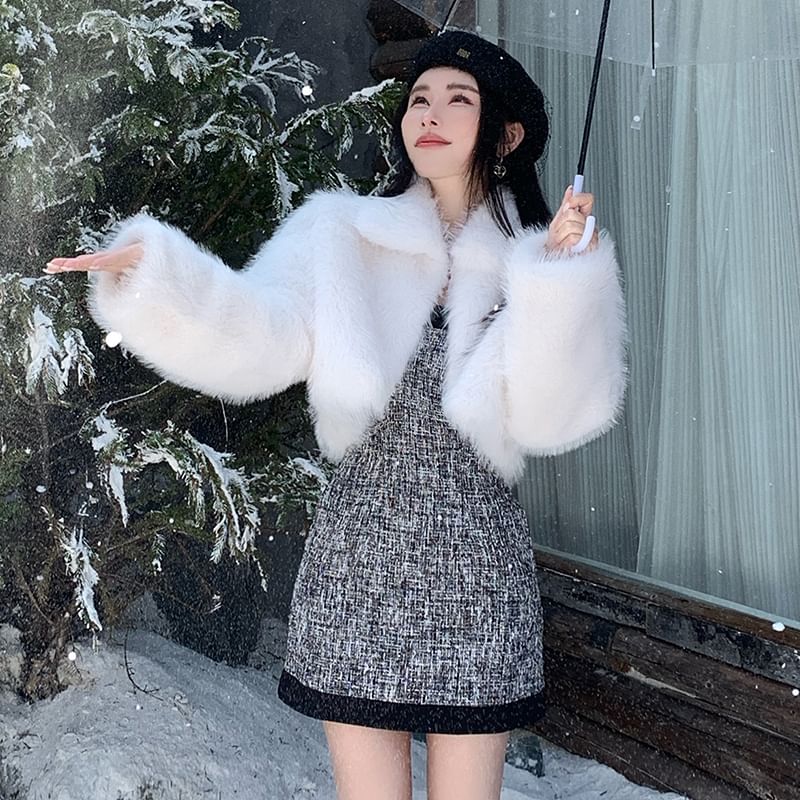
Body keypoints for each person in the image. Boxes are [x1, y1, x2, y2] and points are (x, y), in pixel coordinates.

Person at [45, 30, 626, 800]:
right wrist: (159, 276)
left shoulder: (538, 259)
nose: (429, 114)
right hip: (357, 567)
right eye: (419, 98)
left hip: (478, 576)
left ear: (507, 134)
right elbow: (261, 334)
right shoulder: (341, 234)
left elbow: (555, 417)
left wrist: (558, 284)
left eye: (458, 100)